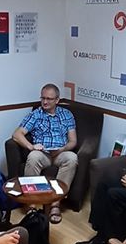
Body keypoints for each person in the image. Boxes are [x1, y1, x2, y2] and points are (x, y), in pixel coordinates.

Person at [12, 84, 78, 224]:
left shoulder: (67, 115)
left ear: (57, 100)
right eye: (43, 98)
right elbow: (17, 134)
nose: (45, 102)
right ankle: (31, 205)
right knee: (33, 157)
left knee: (72, 158)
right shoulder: (36, 114)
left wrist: (62, 149)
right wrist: (32, 146)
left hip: (61, 152)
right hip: (43, 154)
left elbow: (73, 141)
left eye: (49, 98)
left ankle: (55, 204)